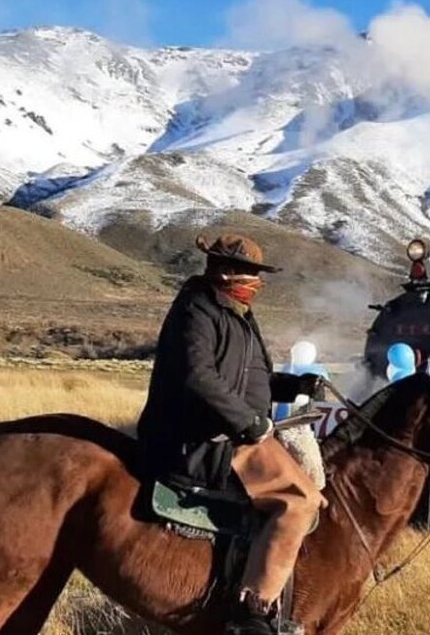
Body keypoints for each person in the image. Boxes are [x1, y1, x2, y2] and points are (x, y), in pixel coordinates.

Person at [137, 232, 326, 635]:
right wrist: (249, 422)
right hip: (202, 439)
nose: (254, 281)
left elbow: (244, 381)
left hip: (231, 432)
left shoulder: (236, 312)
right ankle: (252, 612)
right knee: (301, 502)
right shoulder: (197, 309)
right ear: (222, 271)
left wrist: (292, 387)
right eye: (246, 272)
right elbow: (198, 376)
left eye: (256, 273)